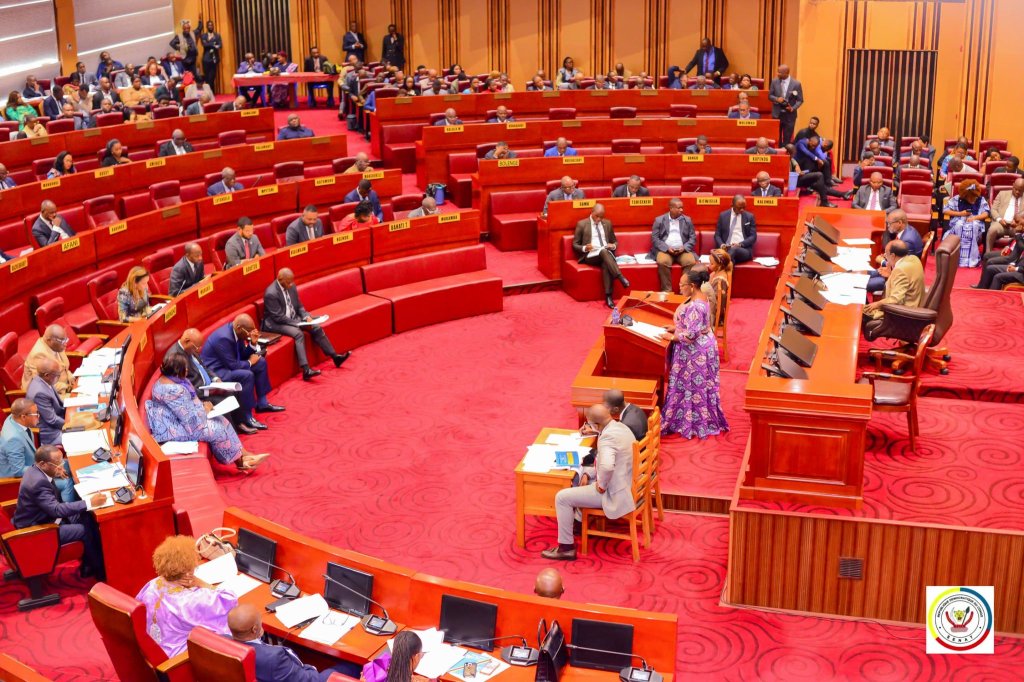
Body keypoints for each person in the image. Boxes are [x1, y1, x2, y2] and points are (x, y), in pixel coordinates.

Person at [541, 404, 635, 561]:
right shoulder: (621, 427)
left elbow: (607, 467)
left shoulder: (607, 439)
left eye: (589, 424)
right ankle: (578, 523)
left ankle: (566, 548)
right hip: (626, 481)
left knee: (562, 497)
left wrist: (601, 486)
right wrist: (588, 473)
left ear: (596, 425)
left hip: (614, 492)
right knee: (584, 476)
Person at [147, 354, 268, 471]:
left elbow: (189, 406)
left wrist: (203, 407)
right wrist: (206, 409)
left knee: (221, 419)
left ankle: (244, 456)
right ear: (177, 370)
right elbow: (190, 420)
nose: (187, 370)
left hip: (180, 421)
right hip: (172, 429)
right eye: (185, 368)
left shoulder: (175, 380)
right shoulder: (173, 390)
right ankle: (241, 461)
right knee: (217, 429)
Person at [136, 535, 238, 657]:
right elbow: (230, 600)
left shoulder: (152, 585)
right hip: (178, 658)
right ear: (188, 572)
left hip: (152, 647)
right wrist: (202, 583)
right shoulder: (190, 600)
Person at [14, 446, 106, 579]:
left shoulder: (36, 470)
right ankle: (100, 571)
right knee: (84, 530)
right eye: (57, 463)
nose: (61, 466)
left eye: (61, 461)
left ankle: (89, 564)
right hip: (37, 529)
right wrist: (89, 502)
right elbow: (56, 510)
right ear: (43, 464)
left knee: (87, 517)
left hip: (47, 516)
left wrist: (55, 472)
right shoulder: (38, 483)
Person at [659, 269, 729, 439]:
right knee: (700, 386)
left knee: (692, 386)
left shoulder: (695, 306)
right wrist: (677, 328)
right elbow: (696, 325)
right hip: (704, 346)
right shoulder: (700, 297)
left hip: (695, 352)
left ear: (692, 286)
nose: (679, 287)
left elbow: (691, 335)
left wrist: (673, 337)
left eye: (682, 285)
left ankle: (692, 423)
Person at [227, 604, 358, 681]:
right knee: (353, 666)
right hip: (305, 676)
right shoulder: (273, 658)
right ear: (254, 629)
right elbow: (309, 680)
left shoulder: (223, 641)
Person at [262, 268, 351, 381]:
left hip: (292, 318)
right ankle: (306, 370)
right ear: (280, 280)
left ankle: (335, 357)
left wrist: (306, 317)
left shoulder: (291, 286)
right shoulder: (271, 293)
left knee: (315, 327)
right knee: (298, 334)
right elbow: (278, 317)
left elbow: (299, 306)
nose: (291, 284)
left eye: (292, 281)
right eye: (289, 282)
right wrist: (299, 323)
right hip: (275, 324)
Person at [201, 314, 283, 432]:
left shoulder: (237, 332)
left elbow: (242, 355)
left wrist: (252, 344)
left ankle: (262, 403)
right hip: (217, 372)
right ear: (239, 327)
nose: (250, 334)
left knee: (260, 362)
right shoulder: (223, 338)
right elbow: (233, 365)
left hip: (228, 366)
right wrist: (250, 362)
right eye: (249, 332)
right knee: (246, 375)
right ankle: (247, 416)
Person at [862, 240, 925, 335]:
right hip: (915, 305)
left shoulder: (900, 270)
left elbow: (895, 299)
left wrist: (877, 304)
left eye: (886, 254)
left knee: (858, 309)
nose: (885, 256)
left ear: (892, 256)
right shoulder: (914, 259)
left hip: (903, 313)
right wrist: (891, 275)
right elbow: (906, 282)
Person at [573, 204, 629, 308]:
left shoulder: (607, 223)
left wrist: (613, 246)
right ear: (592, 212)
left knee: (605, 262)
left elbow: (615, 241)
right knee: (603, 252)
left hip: (606, 254)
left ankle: (608, 296)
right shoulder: (582, 224)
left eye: (601, 217)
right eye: (597, 216)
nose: (599, 219)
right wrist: (585, 248)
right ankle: (620, 277)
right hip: (590, 255)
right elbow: (575, 244)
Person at [866, 210, 924, 294]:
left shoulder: (907, 241)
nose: (887, 226)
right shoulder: (907, 230)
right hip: (894, 270)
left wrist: (882, 262)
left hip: (899, 279)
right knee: (866, 273)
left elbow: (901, 268)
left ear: (899, 223)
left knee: (863, 284)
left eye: (889, 223)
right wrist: (888, 255)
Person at [649, 198, 697, 292]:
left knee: (690, 262)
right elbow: (655, 238)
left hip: (683, 250)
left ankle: (684, 290)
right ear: (671, 208)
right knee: (663, 261)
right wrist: (667, 248)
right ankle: (667, 291)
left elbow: (692, 238)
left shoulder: (687, 220)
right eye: (679, 208)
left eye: (682, 208)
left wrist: (684, 248)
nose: (681, 210)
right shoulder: (659, 220)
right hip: (665, 250)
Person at [943, 180, 990, 267]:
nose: (973, 199)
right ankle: (957, 259)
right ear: (965, 196)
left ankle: (972, 260)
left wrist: (974, 218)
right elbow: (945, 210)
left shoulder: (981, 200)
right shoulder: (957, 199)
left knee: (973, 226)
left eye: (975, 197)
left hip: (975, 223)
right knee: (959, 225)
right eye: (971, 198)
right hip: (959, 222)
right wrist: (960, 213)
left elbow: (986, 213)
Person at [22, 325, 74, 399]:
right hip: (50, 395)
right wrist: (67, 387)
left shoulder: (57, 345)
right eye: (62, 341)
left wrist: (70, 377)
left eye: (66, 340)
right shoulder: (39, 354)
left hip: (65, 387)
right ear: (49, 340)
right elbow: (44, 385)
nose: (65, 344)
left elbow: (64, 366)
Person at [975, 225, 1024, 290]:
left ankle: (991, 294)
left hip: (1020, 272)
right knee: (990, 267)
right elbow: (1015, 241)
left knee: (997, 276)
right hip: (1018, 265)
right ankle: (983, 288)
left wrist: (1016, 269)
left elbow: (1021, 247)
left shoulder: (1020, 233)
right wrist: (1008, 246)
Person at [0, 399, 39, 478]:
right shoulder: (13, 439)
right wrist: (44, 468)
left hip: (32, 465)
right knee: (64, 482)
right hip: (18, 481)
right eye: (36, 414)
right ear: (23, 417)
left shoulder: (14, 418)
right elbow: (19, 471)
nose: (39, 416)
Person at [714, 195, 757, 264]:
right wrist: (722, 245)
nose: (742, 210)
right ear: (732, 205)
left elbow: (753, 237)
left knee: (733, 250)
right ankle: (727, 264)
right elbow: (717, 235)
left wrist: (740, 244)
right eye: (739, 208)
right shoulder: (723, 216)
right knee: (731, 259)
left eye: (744, 207)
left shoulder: (749, 217)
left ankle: (723, 261)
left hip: (743, 249)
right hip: (726, 248)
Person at [985, 178, 1024, 253]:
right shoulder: (1002, 194)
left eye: (1020, 190)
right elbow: (993, 209)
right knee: (992, 229)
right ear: (1013, 185)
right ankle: (987, 254)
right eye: (1016, 189)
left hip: (1016, 227)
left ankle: (1018, 258)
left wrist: (1018, 223)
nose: (1017, 192)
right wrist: (999, 219)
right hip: (1001, 224)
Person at [768, 64, 802, 145]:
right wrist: (777, 99)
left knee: (787, 139)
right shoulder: (774, 81)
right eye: (778, 71)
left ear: (786, 73)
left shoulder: (796, 84)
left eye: (780, 72)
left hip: (789, 115)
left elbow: (800, 100)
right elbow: (770, 96)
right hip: (777, 114)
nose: (777, 74)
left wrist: (793, 108)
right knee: (776, 138)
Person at [705, 249, 732, 330]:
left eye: (711, 264)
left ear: (719, 266)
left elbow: (717, 305)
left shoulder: (720, 280)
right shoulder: (715, 273)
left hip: (714, 314)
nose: (709, 265)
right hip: (709, 306)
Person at [200, 20, 223, 90]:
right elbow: (205, 45)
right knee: (207, 77)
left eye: (211, 25)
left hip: (214, 58)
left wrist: (210, 43)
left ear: (213, 26)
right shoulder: (203, 35)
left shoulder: (217, 35)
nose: (210, 26)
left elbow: (220, 45)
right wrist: (213, 44)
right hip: (206, 59)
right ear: (207, 27)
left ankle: (212, 92)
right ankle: (208, 92)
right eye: (209, 25)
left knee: (212, 77)